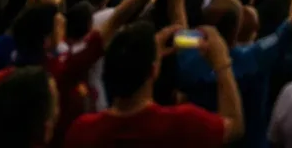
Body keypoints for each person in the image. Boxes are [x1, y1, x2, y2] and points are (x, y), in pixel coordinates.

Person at [66, 21, 243, 147]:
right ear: (153, 70)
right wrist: (222, 64)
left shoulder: (82, 131)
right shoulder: (183, 124)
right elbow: (234, 126)